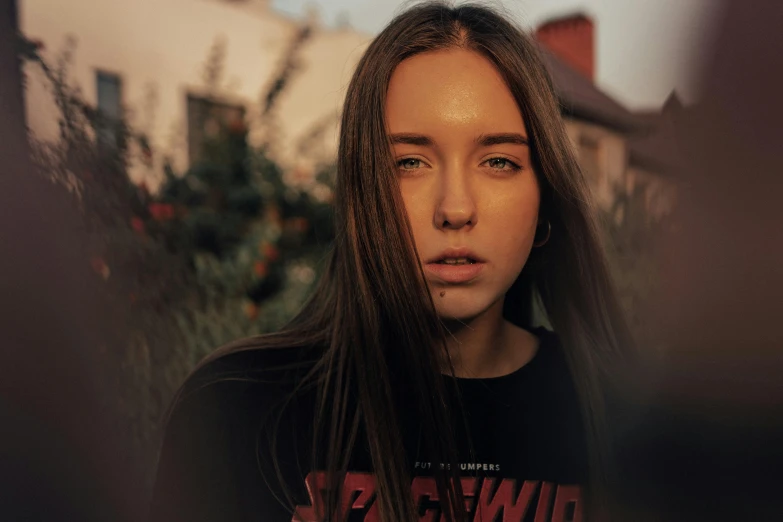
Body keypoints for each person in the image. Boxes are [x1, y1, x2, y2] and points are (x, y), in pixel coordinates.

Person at [147, 3, 633, 521]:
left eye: (498, 161)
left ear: (545, 199)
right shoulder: (237, 409)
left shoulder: (626, 415)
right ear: (363, 191)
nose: (455, 209)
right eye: (409, 163)